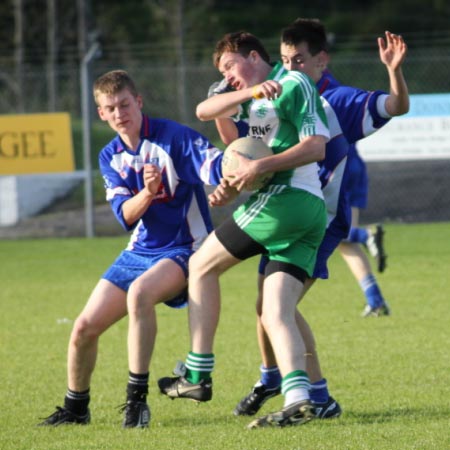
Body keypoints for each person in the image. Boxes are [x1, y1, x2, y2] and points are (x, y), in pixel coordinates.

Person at [232, 20, 409, 418]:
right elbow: (253, 143)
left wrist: (394, 71)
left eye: (300, 60)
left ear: (321, 60)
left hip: (322, 221)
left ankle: (308, 391)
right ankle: (281, 380)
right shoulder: (277, 90)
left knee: (279, 307)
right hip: (283, 212)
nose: (291, 68)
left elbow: (396, 107)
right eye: (285, 60)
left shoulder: (339, 100)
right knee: (269, 307)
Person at [158, 31, 330, 429]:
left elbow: (315, 147)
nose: (227, 76)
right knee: (275, 311)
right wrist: (230, 184)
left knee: (201, 265)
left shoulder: (293, 82)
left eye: (229, 66)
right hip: (300, 213)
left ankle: (197, 374)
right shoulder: (257, 103)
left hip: (288, 202)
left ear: (254, 56)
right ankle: (299, 400)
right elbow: (210, 116)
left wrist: (257, 169)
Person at [38, 69, 224, 428]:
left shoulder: (174, 138)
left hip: (186, 248)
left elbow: (215, 165)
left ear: (138, 102)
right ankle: (76, 408)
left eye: (125, 103)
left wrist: (235, 173)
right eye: (111, 107)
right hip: (139, 251)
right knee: (83, 328)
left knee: (139, 294)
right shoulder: (110, 155)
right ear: (101, 114)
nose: (120, 112)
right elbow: (124, 216)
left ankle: (136, 401)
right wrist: (149, 192)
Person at [338, 143, 389, 317]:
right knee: (345, 243)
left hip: (335, 168)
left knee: (327, 230)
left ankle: (365, 234)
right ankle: (376, 301)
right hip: (352, 164)